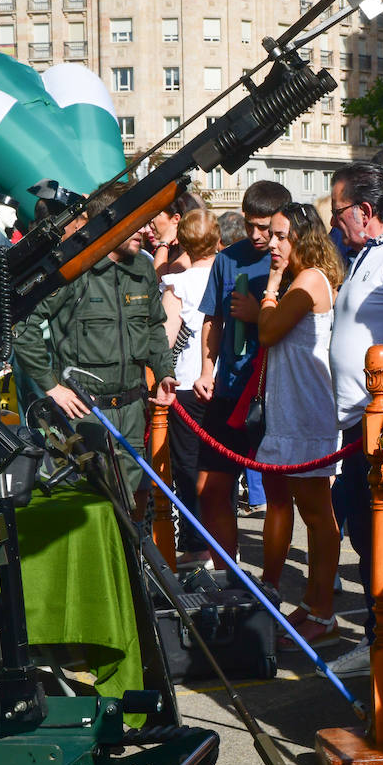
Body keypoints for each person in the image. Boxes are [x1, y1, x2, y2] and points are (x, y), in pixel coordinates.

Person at [12, 183, 179, 509]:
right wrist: (51, 387)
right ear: (110, 223)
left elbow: (153, 326)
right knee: (89, 510)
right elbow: (24, 324)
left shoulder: (143, 267)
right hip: (86, 416)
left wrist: (164, 372)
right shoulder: (74, 269)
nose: (146, 230)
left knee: (130, 509)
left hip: (132, 413)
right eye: (138, 222)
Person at [325, 161, 383, 677]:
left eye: (339, 210)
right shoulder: (363, 255)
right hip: (357, 428)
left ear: (364, 209)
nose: (335, 222)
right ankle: (380, 638)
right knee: (365, 537)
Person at [253, 202, 346, 646]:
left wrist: (270, 289)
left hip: (306, 414)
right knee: (310, 513)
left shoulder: (308, 280)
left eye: (281, 236)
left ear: (304, 239)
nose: (272, 243)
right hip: (293, 412)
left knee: (317, 516)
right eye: (271, 235)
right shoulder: (305, 278)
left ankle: (323, 613)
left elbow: (268, 331)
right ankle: (313, 604)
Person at [192, 181, 292, 568]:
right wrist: (206, 368)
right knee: (211, 487)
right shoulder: (227, 258)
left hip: (273, 393)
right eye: (250, 225)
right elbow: (212, 318)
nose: (255, 235)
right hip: (230, 390)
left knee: (278, 491)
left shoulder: (294, 259)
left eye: (265, 227)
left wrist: (260, 313)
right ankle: (227, 576)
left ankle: (272, 582)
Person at [161, 209, 219, 564]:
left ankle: (197, 544)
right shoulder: (229, 276)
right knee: (222, 467)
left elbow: (166, 338)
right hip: (223, 381)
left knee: (188, 465)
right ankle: (222, 542)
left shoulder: (177, 284)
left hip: (185, 382)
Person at [148, 189, 208, 279]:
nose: (151, 221)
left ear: (176, 219)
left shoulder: (183, 262)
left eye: (157, 214)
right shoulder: (182, 251)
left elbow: (159, 282)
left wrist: (163, 243)